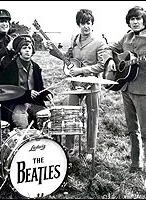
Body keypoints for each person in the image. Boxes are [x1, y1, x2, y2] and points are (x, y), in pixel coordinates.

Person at [46, 9, 114, 160]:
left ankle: (90, 150)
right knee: (70, 116)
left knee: (92, 117)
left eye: (88, 23)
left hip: (92, 85)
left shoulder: (99, 42)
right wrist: (52, 51)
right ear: (79, 24)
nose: (86, 26)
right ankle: (69, 148)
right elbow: (68, 59)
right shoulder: (74, 39)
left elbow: (102, 65)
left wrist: (81, 70)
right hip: (75, 85)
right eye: (83, 23)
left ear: (92, 24)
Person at [107, 6, 146, 182]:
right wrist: (111, 59)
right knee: (133, 130)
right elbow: (111, 48)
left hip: (142, 90)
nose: (134, 22)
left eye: (138, 19)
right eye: (132, 19)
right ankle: (135, 164)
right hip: (125, 88)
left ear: (144, 20)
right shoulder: (126, 36)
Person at [0, 34, 54, 130]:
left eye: (29, 48)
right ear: (19, 51)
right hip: (17, 104)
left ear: (33, 51)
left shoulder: (36, 67)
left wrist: (46, 94)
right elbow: (8, 91)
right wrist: (27, 94)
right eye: (24, 48)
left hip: (34, 103)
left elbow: (39, 88)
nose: (27, 50)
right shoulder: (10, 68)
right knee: (22, 125)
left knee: (47, 120)